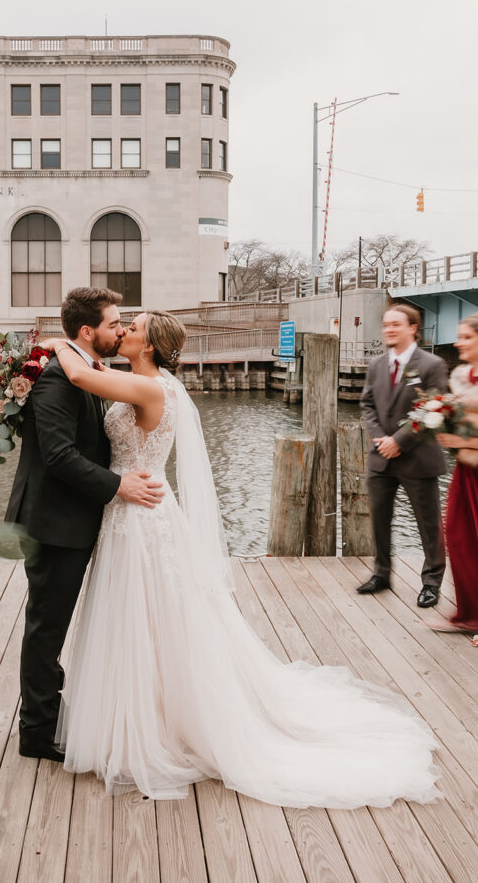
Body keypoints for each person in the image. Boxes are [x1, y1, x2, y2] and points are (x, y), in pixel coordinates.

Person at [40, 310, 440, 807]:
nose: (124, 332)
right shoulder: (142, 380)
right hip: (130, 511)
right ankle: (140, 711)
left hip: (142, 519)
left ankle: (158, 724)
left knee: (148, 615)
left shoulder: (152, 389)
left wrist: (56, 344)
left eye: (133, 328)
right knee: (138, 618)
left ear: (149, 346)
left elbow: (80, 375)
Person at [5, 287, 165, 763]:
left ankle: (48, 715)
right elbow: (57, 456)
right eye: (115, 324)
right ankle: (36, 730)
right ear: (86, 331)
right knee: (46, 627)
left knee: (50, 623)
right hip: (54, 522)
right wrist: (119, 486)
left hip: (72, 517)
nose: (121, 329)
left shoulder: (87, 369)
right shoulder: (58, 379)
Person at [359, 304, 448, 607]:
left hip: (417, 457)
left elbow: (434, 408)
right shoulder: (376, 365)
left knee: (428, 523)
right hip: (380, 456)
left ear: (413, 328)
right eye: (386, 324)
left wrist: (399, 441)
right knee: (379, 520)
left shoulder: (432, 364)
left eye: (396, 324)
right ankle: (381, 573)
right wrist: (380, 439)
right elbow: (367, 406)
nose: (389, 329)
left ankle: (432, 582)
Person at [434, 314, 478, 632]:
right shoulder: (461, 376)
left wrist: (459, 439)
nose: (457, 342)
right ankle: (470, 613)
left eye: (465, 337)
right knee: (460, 537)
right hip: (467, 471)